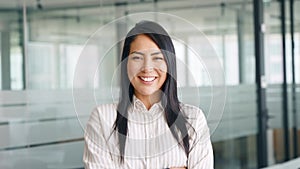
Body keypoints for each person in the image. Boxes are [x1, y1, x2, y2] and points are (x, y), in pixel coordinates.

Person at [83, 20, 214, 169]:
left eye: (157, 58)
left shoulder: (193, 119)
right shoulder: (102, 119)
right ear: (126, 63)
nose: (147, 68)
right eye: (137, 58)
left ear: (169, 64)